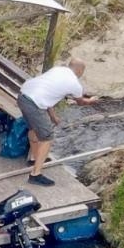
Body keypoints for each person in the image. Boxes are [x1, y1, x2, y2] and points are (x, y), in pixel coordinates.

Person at [19, 58, 98, 187]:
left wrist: (53, 116)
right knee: (47, 138)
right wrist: (91, 101)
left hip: (23, 96)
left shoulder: (58, 70)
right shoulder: (75, 84)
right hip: (34, 104)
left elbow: (46, 93)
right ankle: (35, 175)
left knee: (34, 129)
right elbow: (81, 102)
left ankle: (34, 158)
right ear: (80, 70)